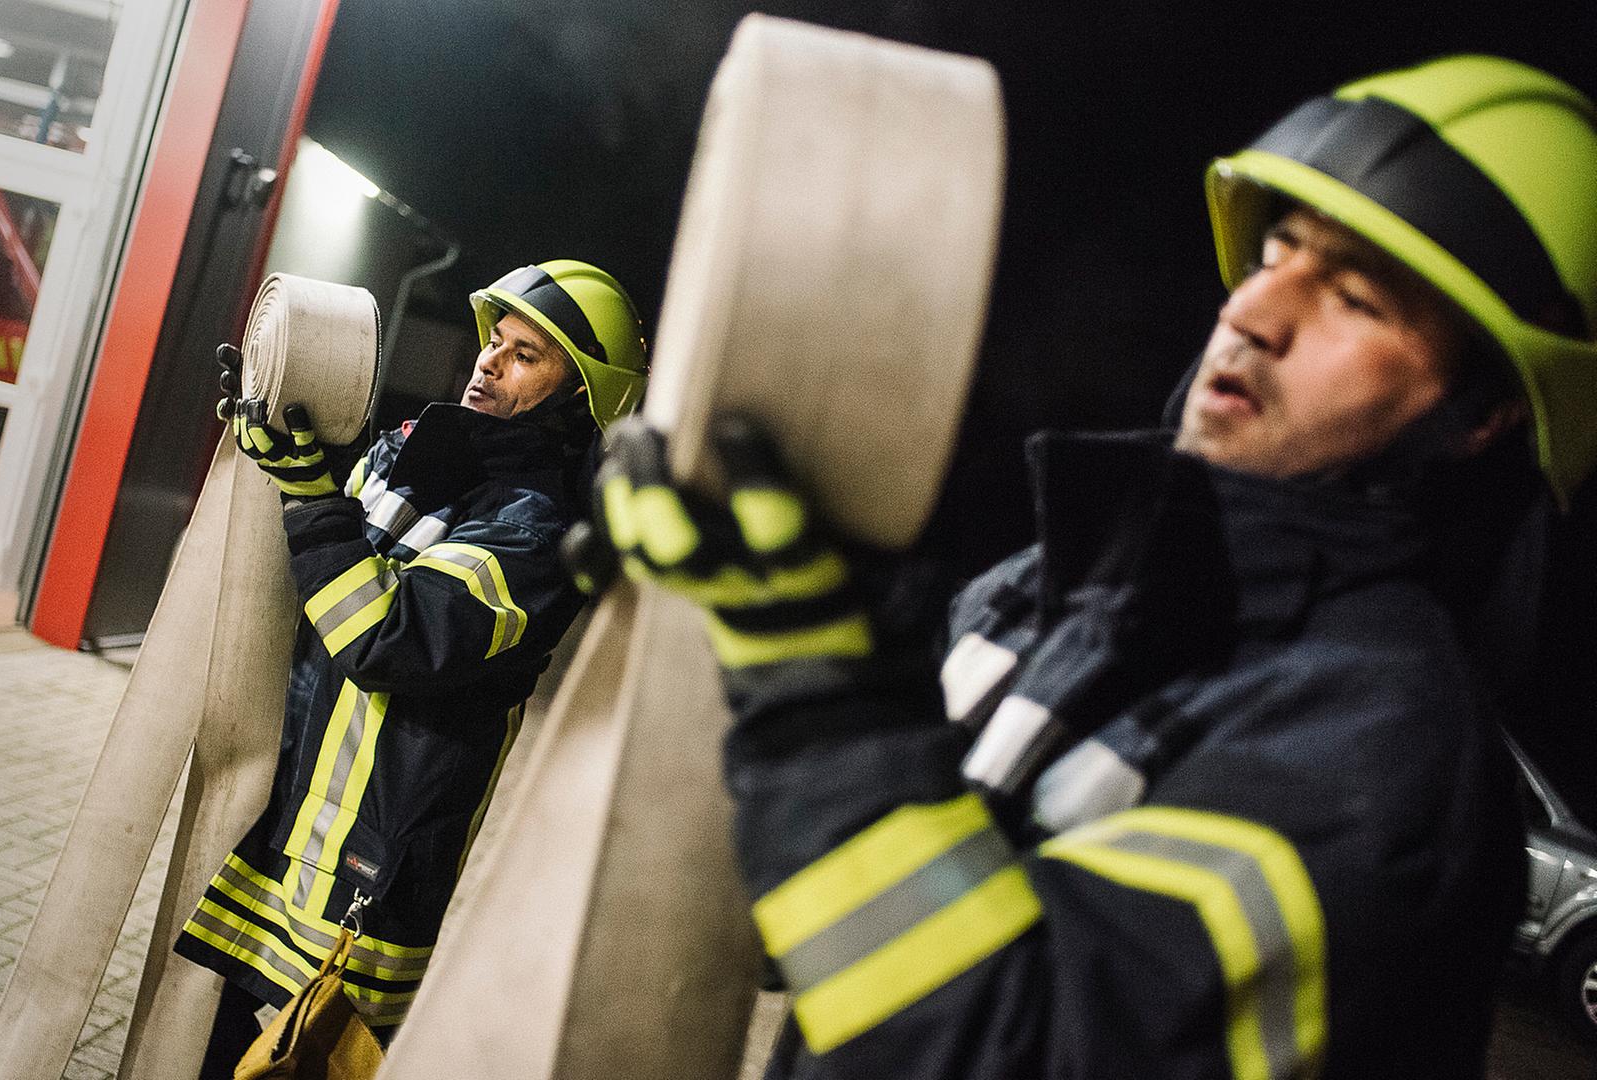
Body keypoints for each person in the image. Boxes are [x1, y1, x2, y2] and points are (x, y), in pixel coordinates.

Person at [584, 55, 1597, 1077]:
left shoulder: (1381, 765)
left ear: (1486, 415)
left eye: (1355, 300)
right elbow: (818, 927)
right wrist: (762, 642)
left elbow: (988, 1050)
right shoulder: (1035, 593)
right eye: (1275, 252)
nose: (1252, 313)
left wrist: (818, 710)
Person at [178, 260, 648, 1074]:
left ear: (581, 394)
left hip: (374, 856)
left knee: (302, 1062)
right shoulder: (418, 452)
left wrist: (308, 495)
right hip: (289, 816)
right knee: (208, 1043)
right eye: (494, 341)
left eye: (527, 354)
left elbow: (389, 639)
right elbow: (313, 570)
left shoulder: (536, 531)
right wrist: (284, 445)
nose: (488, 362)